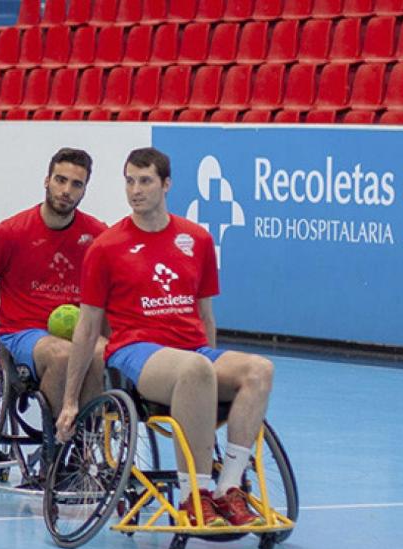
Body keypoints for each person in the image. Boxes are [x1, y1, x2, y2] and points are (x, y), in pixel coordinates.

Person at [57, 147, 274, 528]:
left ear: (166, 184)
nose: (135, 190)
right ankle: (194, 495)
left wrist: (212, 364)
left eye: (145, 181)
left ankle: (228, 488)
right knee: (195, 369)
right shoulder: (106, 247)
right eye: (129, 181)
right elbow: (87, 327)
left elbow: (206, 315)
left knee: (259, 368)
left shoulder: (197, 239)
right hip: (135, 353)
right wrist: (72, 399)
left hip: (193, 350)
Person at [0, 147, 107, 443]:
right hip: (22, 334)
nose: (66, 191)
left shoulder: (98, 235)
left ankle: (84, 448)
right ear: (46, 181)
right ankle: (56, 449)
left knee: (102, 352)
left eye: (76, 184)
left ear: (85, 190)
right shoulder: (9, 233)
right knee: (63, 355)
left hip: (79, 330)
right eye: (60, 180)